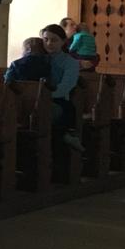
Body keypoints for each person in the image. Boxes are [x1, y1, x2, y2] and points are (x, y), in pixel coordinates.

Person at [43, 23, 84, 152]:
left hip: (59, 100)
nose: (49, 43)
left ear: (63, 42)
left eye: (54, 40)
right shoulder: (37, 59)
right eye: (46, 39)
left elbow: (65, 87)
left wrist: (45, 95)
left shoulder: (70, 62)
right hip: (38, 99)